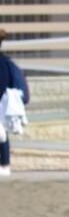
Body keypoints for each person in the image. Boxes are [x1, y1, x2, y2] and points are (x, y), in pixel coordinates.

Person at [0, 29, 30, 177]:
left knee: (1, 134)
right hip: (3, 105)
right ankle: (4, 165)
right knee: (2, 134)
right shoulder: (5, 62)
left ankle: (4, 165)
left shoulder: (3, 63)